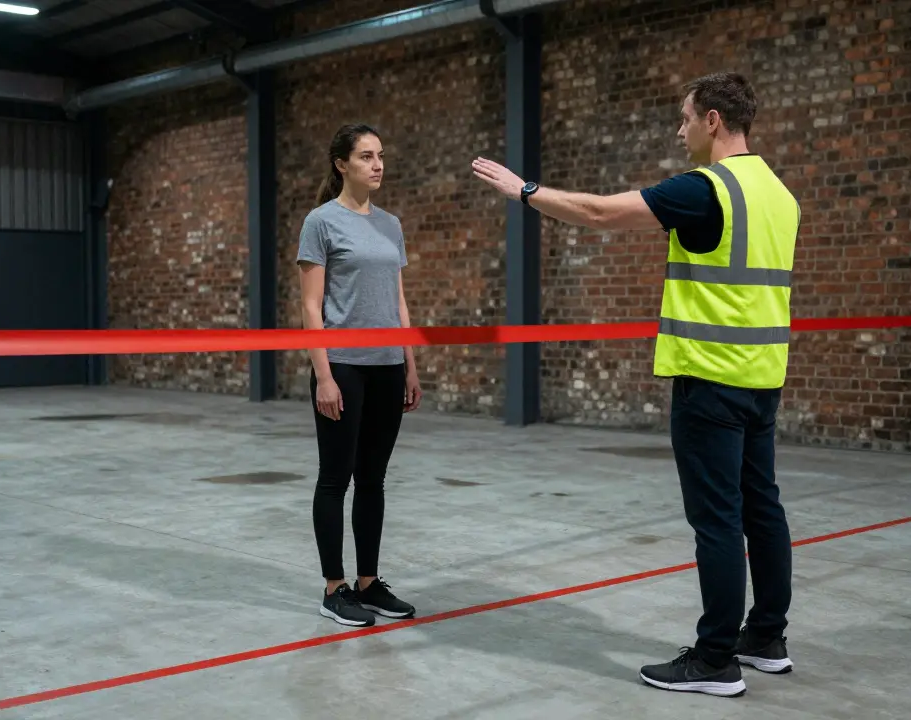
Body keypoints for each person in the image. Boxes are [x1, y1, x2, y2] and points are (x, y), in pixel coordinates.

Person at [471, 72, 799, 698]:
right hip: (762, 378)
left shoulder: (707, 189)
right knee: (763, 508)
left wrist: (525, 191)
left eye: (685, 118)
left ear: (712, 121)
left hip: (709, 378)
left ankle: (715, 660)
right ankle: (766, 637)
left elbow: (598, 212)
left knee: (718, 521)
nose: (679, 130)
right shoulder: (779, 194)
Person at [296, 123, 423, 628]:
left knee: (373, 479)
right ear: (341, 164)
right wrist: (324, 375)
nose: (378, 164)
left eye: (380, 155)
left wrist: (410, 364)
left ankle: (368, 583)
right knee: (336, 478)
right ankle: (334, 589)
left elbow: (398, 302)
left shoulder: (391, 225)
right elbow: (311, 307)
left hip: (388, 367)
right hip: (343, 367)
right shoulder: (321, 222)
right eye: (366, 156)